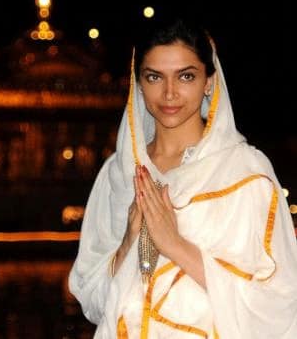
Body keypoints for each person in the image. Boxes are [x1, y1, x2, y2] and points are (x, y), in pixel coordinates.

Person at [68, 17, 297, 338]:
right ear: (138, 82)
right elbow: (94, 301)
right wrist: (128, 243)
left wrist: (175, 245)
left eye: (185, 76)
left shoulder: (245, 172)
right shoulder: (118, 174)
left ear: (208, 81)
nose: (170, 93)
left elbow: (280, 302)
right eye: (154, 77)